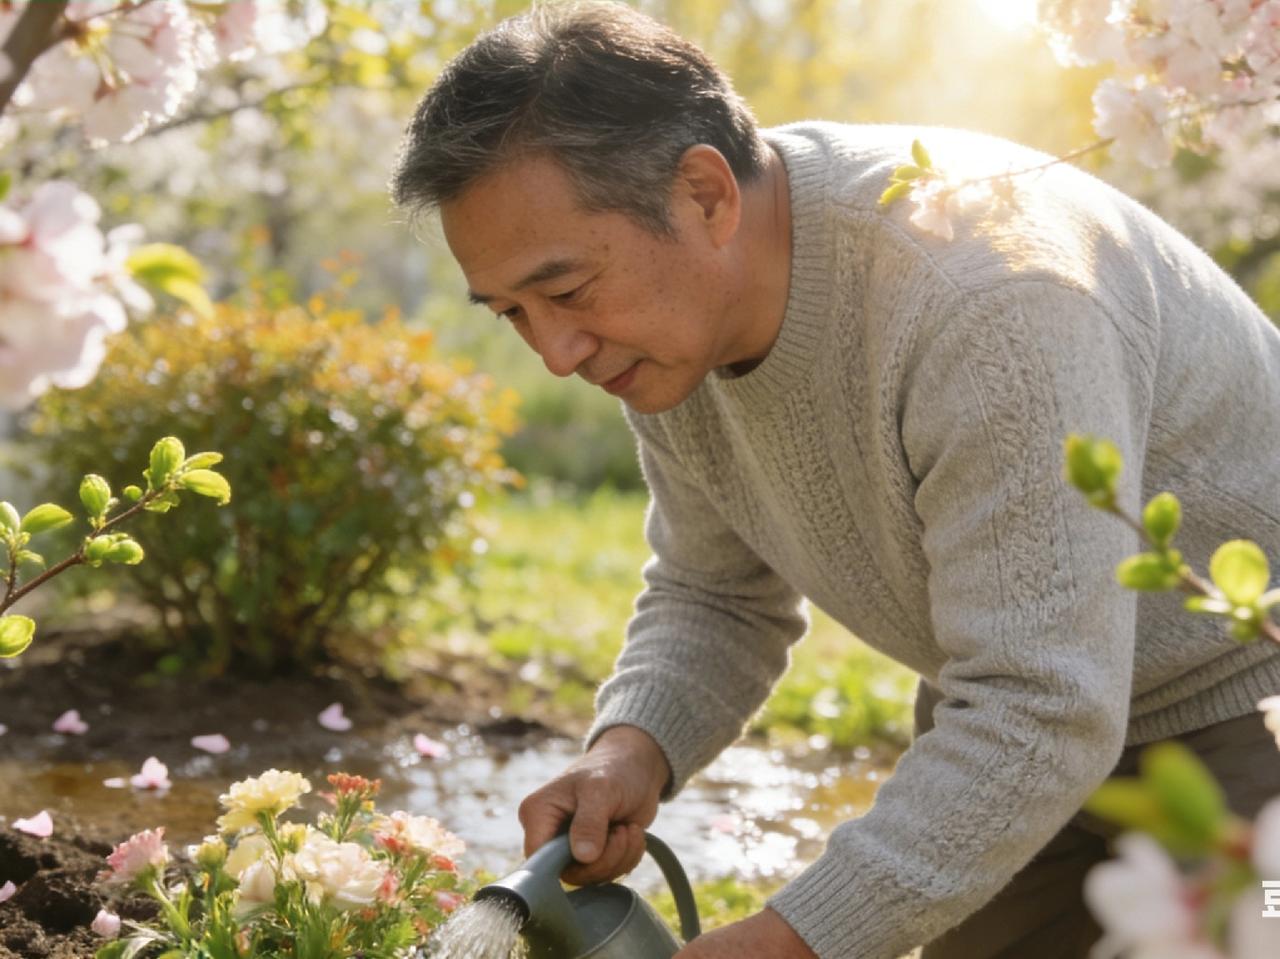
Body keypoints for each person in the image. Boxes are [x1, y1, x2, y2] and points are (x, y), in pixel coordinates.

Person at [389, 4, 1280, 957]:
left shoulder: (985, 295)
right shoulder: (669, 336)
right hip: (1011, 719)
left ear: (704, 194)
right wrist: (632, 747)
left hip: (1245, 701)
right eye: (511, 313)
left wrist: (792, 939)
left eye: (565, 292)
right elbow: (717, 589)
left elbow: (1045, 703)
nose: (556, 353)